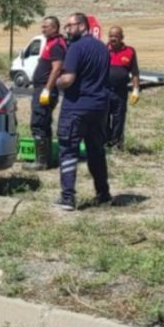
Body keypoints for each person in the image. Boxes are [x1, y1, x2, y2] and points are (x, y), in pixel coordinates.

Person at [54, 12, 111, 211]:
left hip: (76, 107)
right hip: (99, 107)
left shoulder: (76, 48)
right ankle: (103, 193)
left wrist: (56, 83)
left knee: (68, 149)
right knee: (96, 151)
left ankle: (68, 197)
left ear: (81, 25)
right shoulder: (103, 48)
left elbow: (68, 79)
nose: (67, 30)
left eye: (69, 26)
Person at [23, 16, 66, 171]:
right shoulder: (50, 43)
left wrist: (47, 89)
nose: (43, 29)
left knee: (38, 123)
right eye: (42, 26)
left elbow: (57, 68)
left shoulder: (56, 45)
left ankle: (41, 161)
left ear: (55, 28)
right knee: (44, 123)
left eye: (46, 26)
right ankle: (46, 159)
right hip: (41, 87)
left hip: (45, 89)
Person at [106, 26, 141, 151]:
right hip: (104, 91)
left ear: (122, 37)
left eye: (116, 36)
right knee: (103, 118)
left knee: (119, 119)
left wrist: (136, 89)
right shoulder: (103, 50)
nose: (113, 39)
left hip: (120, 92)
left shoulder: (130, 51)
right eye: (110, 36)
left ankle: (116, 145)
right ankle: (106, 143)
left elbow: (135, 72)